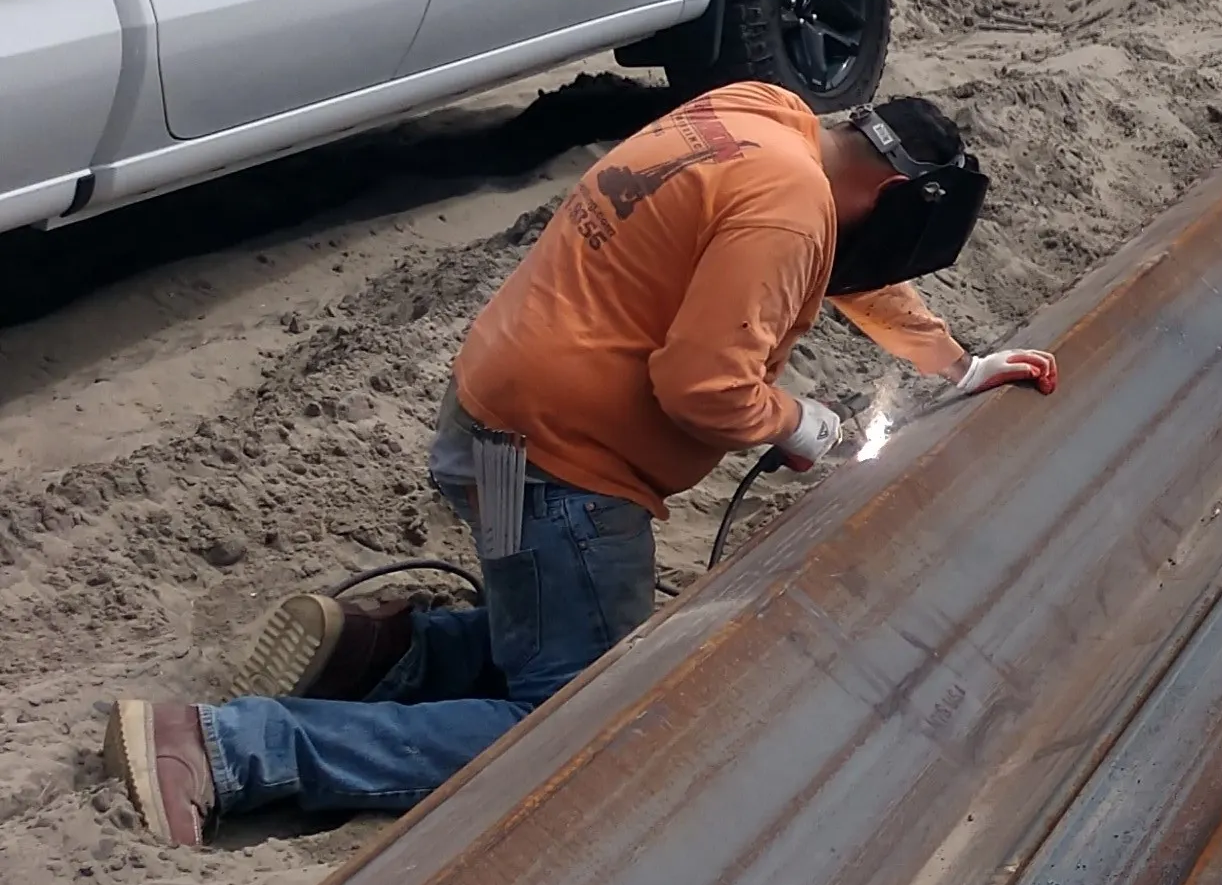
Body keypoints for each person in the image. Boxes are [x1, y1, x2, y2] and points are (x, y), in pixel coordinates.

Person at [110, 91, 1055, 846]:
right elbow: (703, 386)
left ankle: (391, 656)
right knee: (575, 720)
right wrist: (798, 422)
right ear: (891, 197)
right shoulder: (792, 205)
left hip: (493, 424)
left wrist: (956, 363)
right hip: (570, 471)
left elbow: (837, 266)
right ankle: (228, 747)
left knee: (548, 611)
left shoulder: (760, 117)